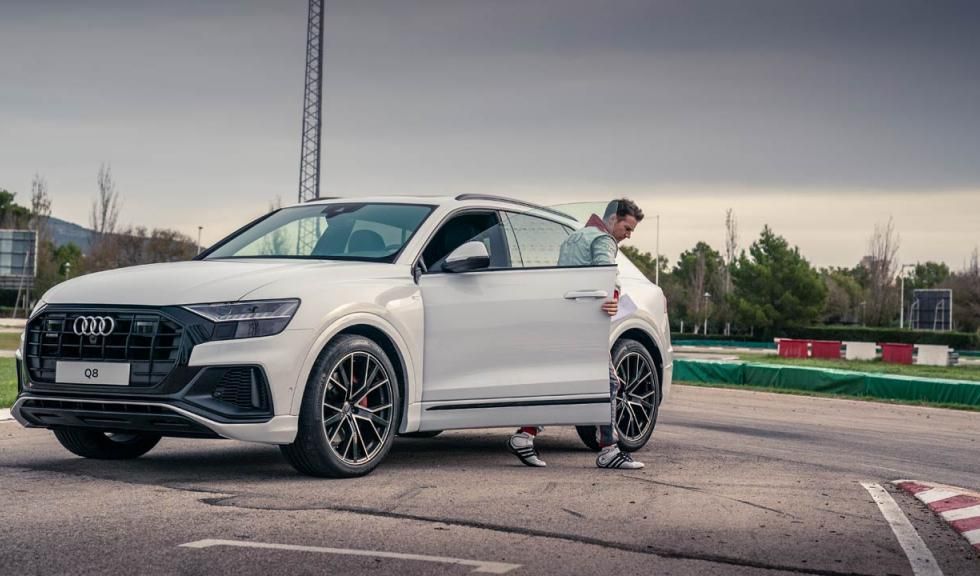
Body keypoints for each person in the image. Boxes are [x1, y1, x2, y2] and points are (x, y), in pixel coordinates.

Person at [508, 199, 646, 470]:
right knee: (610, 383)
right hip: (585, 324)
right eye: (627, 228)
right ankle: (609, 450)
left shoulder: (574, 237)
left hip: (563, 319)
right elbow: (605, 276)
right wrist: (614, 298)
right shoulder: (604, 241)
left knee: (557, 383)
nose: (628, 236)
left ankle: (525, 435)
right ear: (613, 219)